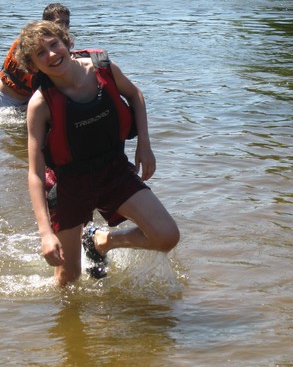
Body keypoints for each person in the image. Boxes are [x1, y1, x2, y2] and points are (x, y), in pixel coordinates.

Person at [15, 20, 180, 286]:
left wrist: (144, 144)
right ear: (33, 66)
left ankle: (103, 241)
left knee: (166, 236)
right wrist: (45, 234)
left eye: (54, 44)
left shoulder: (104, 69)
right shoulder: (41, 104)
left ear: (66, 42)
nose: (52, 54)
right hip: (69, 185)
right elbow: (35, 172)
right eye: (40, 53)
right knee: (68, 279)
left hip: (113, 170)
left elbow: (135, 94)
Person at [0, 3, 71, 114]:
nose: (64, 27)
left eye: (67, 23)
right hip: (4, 100)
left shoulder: (59, 48)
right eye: (59, 23)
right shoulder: (29, 46)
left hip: (29, 100)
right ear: (47, 23)